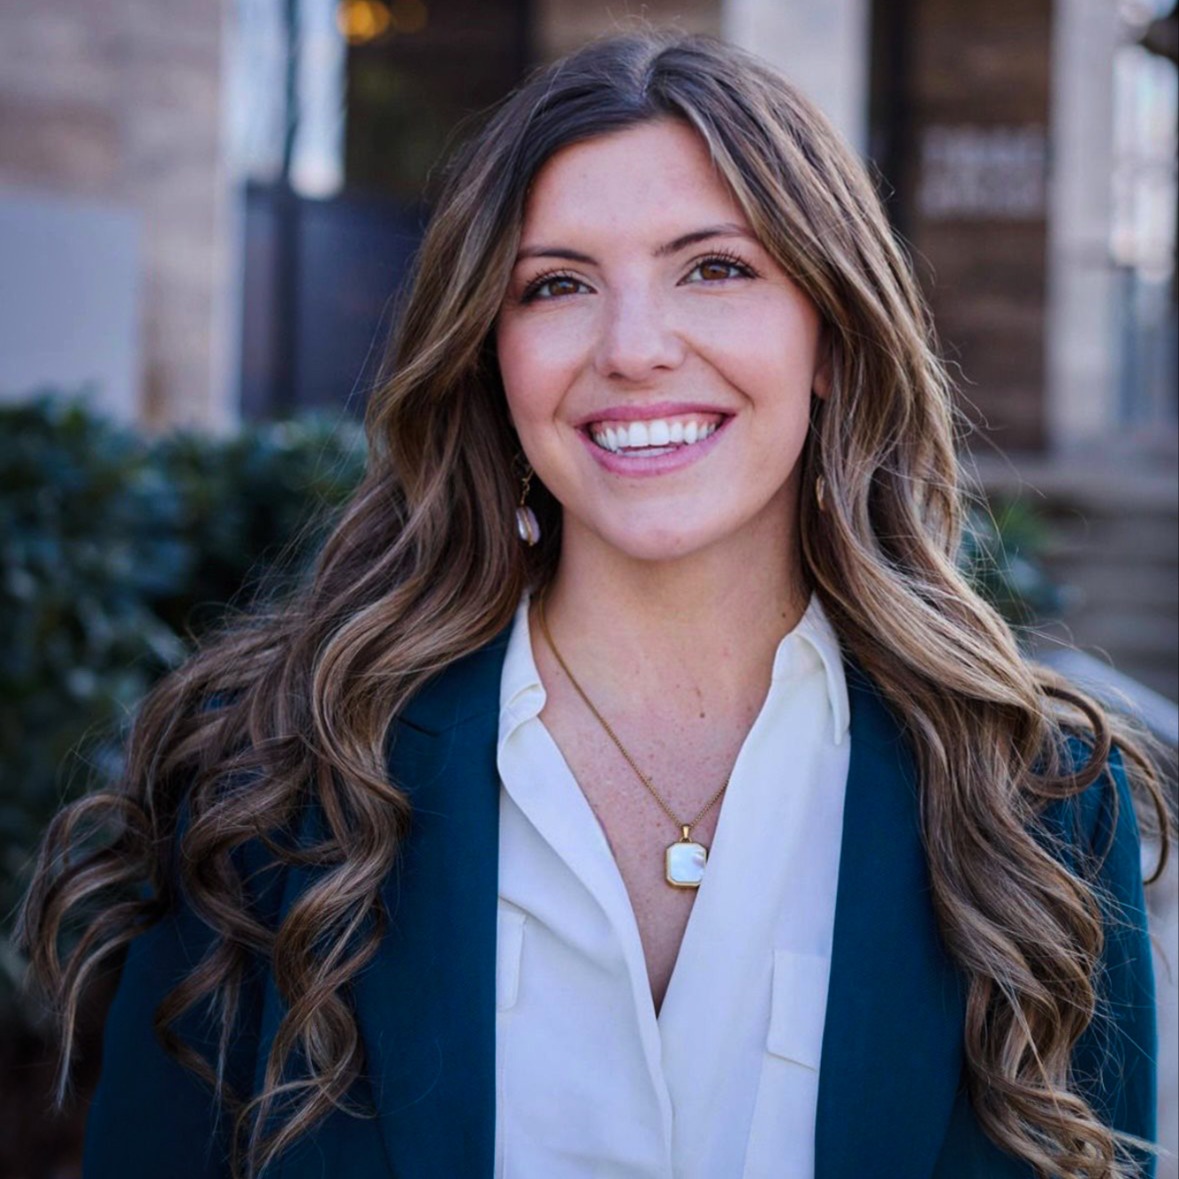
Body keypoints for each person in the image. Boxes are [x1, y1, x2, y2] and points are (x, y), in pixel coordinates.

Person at [18, 31, 1170, 1179]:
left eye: (714, 268)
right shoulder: (268, 787)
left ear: (828, 335)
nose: (632, 349)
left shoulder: (1040, 811)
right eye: (557, 284)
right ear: (488, 351)